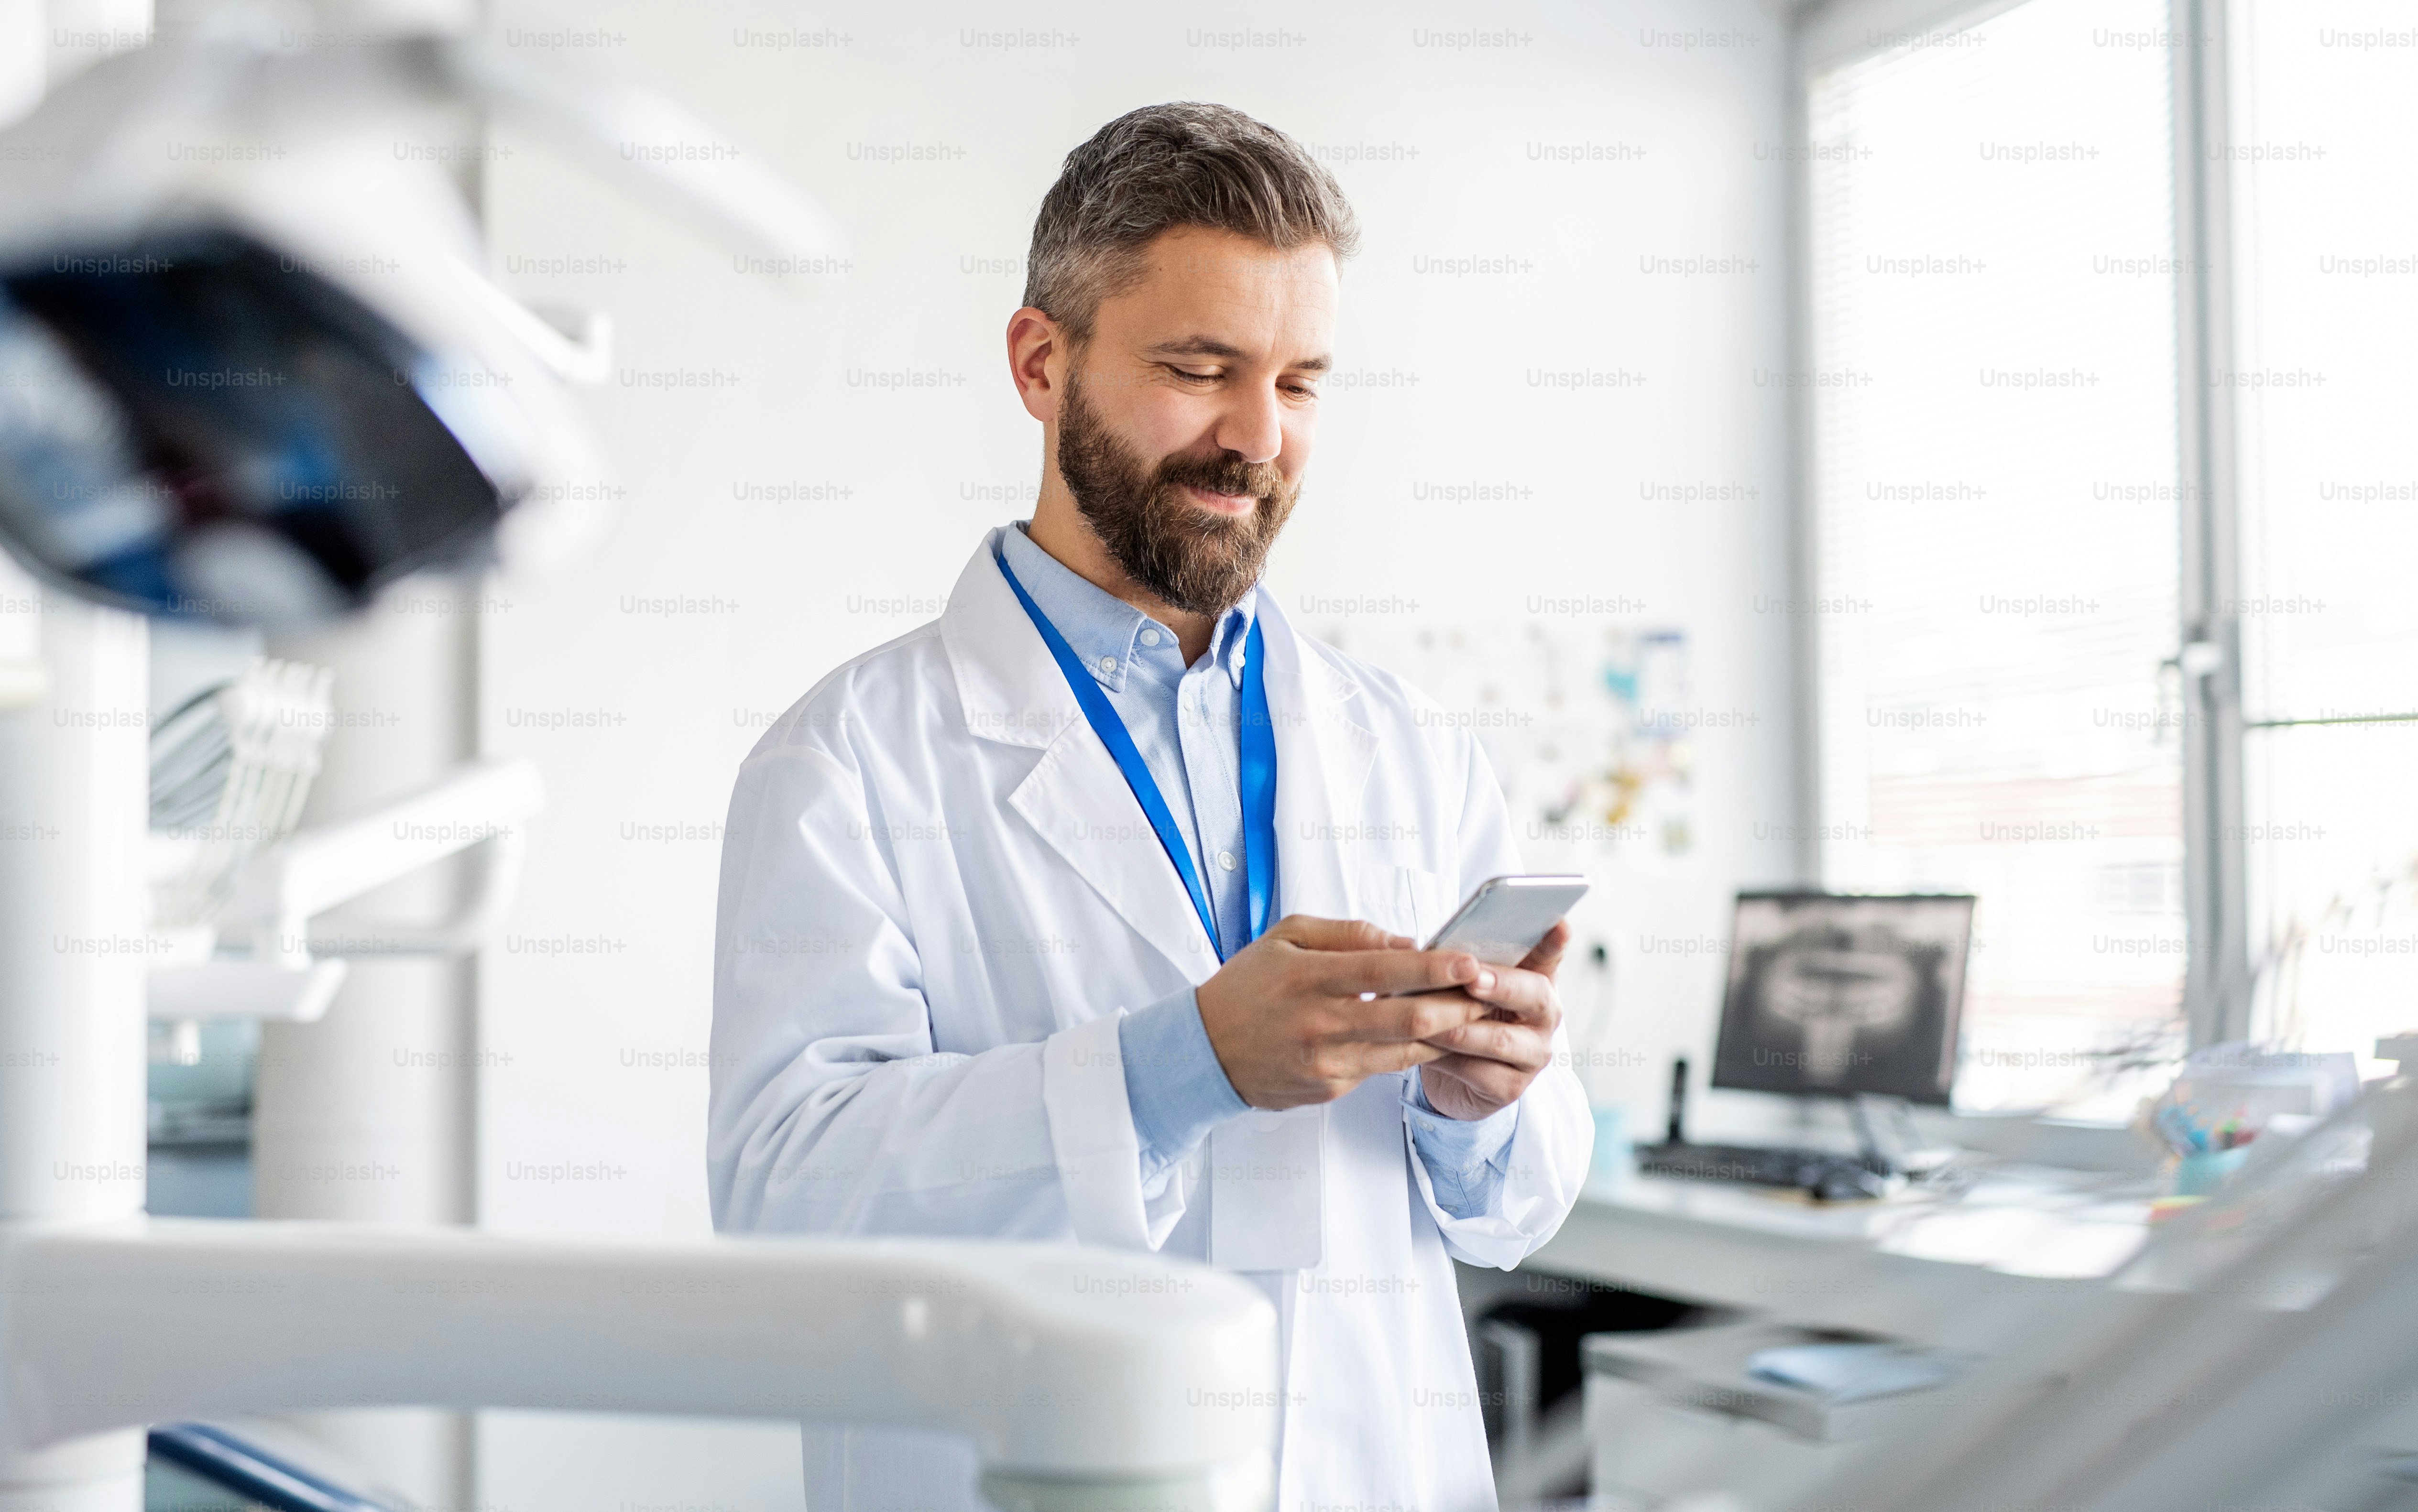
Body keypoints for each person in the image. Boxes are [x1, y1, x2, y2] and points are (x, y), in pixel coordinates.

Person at [709, 100, 1590, 1510]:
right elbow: (783, 1198)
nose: (1257, 437)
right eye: (1199, 368)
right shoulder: (849, 758)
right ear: (1039, 362)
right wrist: (1175, 1068)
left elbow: (1512, 1209)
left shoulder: (1410, 747)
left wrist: (1480, 1100)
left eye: (1301, 383)